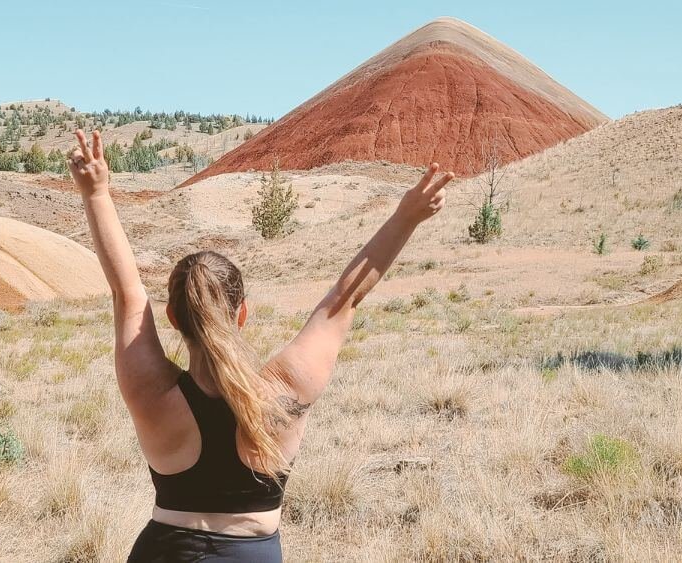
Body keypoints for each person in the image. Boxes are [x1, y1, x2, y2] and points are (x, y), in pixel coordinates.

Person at [67, 129, 452, 562]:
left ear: (174, 319)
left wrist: (96, 193)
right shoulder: (285, 391)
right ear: (242, 313)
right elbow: (343, 302)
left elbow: (127, 293)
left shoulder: (151, 394)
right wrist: (407, 217)